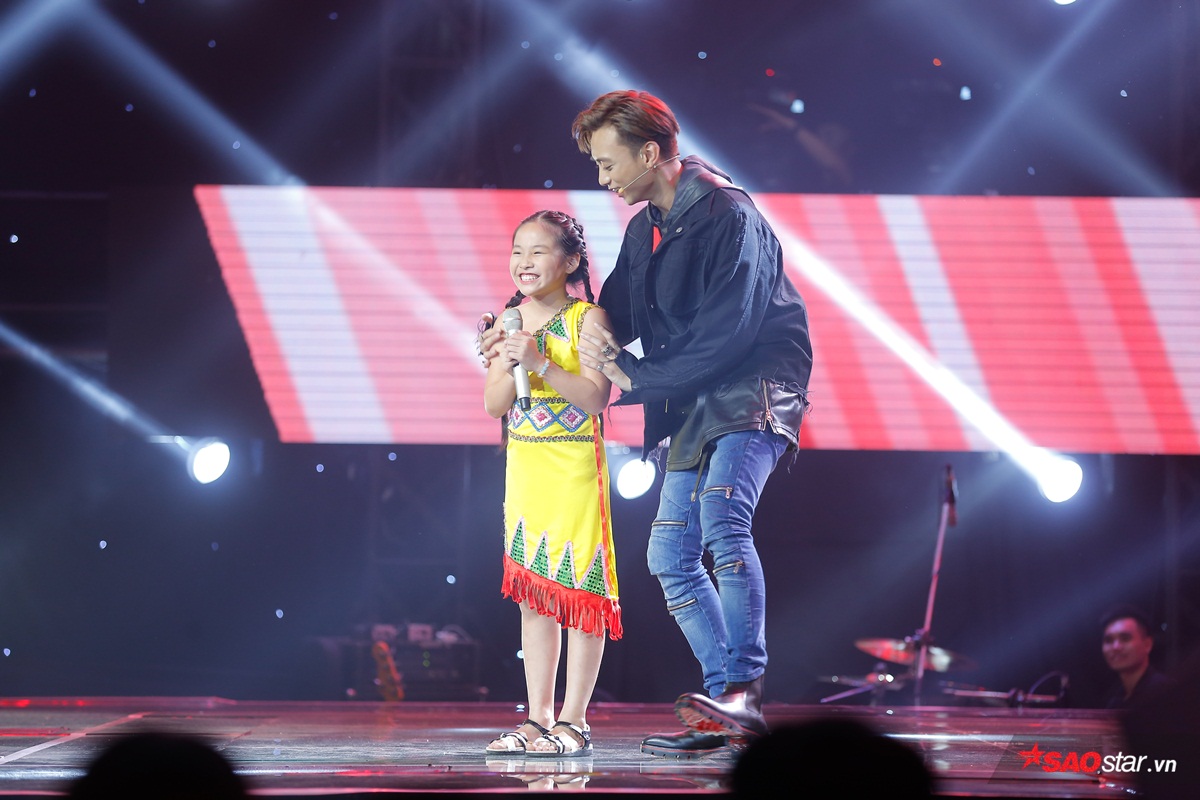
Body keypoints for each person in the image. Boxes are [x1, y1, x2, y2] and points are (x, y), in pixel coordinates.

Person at [570, 90, 813, 758]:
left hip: (752, 388)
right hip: (693, 396)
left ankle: (743, 693)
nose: (603, 178)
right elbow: (615, 312)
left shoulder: (729, 214)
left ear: (649, 153)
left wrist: (634, 375)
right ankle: (723, 708)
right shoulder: (644, 228)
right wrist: (538, 320)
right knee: (668, 556)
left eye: (608, 163)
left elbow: (729, 333)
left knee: (723, 522)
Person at [481, 210, 621, 758]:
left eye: (538, 251)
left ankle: (574, 722)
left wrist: (540, 363)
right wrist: (502, 358)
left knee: (581, 595)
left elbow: (595, 399)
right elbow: (495, 404)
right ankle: (537, 718)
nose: (524, 261)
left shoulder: (589, 319)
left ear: (570, 261)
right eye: (518, 250)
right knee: (534, 600)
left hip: (575, 468)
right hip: (527, 468)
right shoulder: (509, 320)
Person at [1100, 605, 1170, 709]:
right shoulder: (1115, 701)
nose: (1116, 647)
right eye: (1109, 640)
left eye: (1125, 638)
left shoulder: (1164, 692)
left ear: (1147, 644)